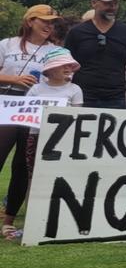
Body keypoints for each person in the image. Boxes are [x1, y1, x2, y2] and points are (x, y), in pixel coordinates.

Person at [0, 4, 60, 240]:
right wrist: (14, 79)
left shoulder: (55, 50)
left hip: (37, 108)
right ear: (29, 21)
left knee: (23, 166)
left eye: (51, 21)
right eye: (44, 20)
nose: (49, 25)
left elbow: (66, 76)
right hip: (7, 102)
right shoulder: (8, 44)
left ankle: (9, 221)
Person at [65, 0, 126, 108]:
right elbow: (66, 67)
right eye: (108, 3)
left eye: (115, 3)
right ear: (94, 3)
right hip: (82, 97)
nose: (112, 7)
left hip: (116, 98)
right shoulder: (77, 32)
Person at [25, 47, 83, 178]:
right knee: (33, 174)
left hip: (64, 137)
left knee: (59, 174)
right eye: (62, 65)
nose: (67, 68)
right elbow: (26, 111)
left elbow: (77, 116)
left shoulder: (75, 89)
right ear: (50, 69)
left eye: (69, 65)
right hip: (36, 135)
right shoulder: (36, 89)